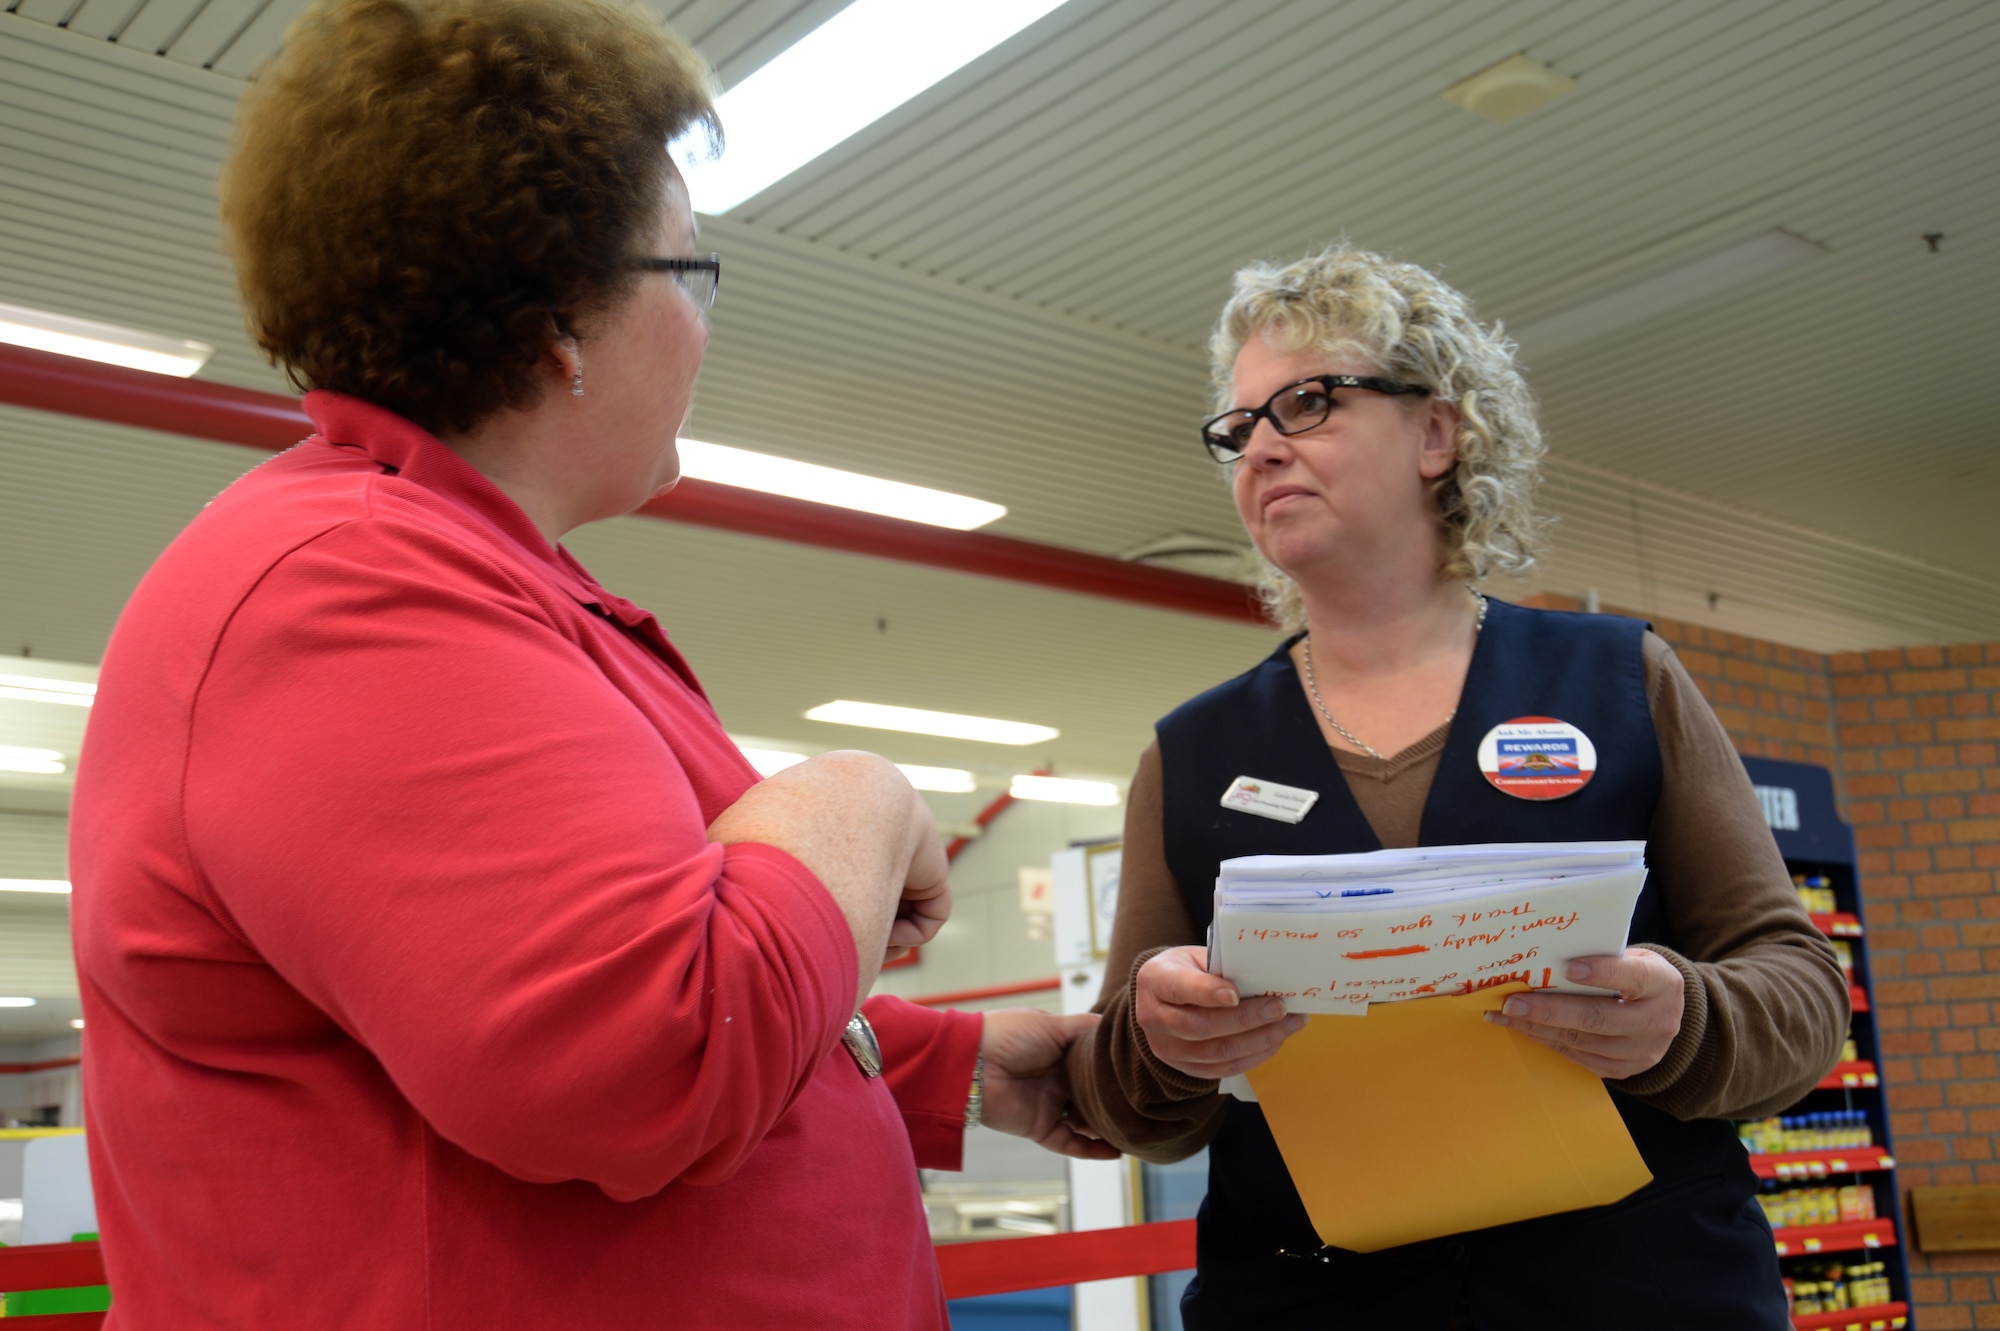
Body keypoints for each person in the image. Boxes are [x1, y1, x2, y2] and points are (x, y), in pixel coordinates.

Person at [68, 2, 1111, 1327]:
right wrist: (854, 796)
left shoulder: (462, 573)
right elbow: (642, 1052)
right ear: (562, 316)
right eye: (693, 274)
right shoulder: (348, 589)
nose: (707, 326)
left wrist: (962, 1071)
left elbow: (568, 958)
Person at [1062, 244, 1849, 1329]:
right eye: (1239, 429)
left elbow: (1800, 994)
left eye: (1306, 402)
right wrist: (1158, 1039)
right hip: (1307, 1298)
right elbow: (1116, 1097)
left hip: (1640, 1291)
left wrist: (1685, 1014)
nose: (1261, 451)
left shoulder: (1620, 680)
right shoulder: (1188, 754)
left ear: (1437, 432)